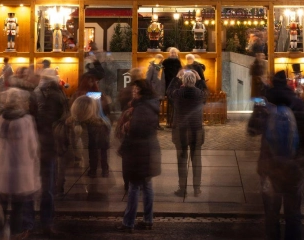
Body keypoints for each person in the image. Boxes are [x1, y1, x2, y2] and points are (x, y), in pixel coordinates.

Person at [247, 70, 304, 240]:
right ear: (288, 83)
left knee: (271, 215)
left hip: (270, 166)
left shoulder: (264, 103)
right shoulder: (298, 103)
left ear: (271, 82)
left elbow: (252, 130)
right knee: (293, 214)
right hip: (294, 167)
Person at [0, 88, 39, 237]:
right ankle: (14, 234)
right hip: (21, 170)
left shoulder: (2, 119)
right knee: (18, 208)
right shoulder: (26, 120)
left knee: (1, 207)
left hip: (2, 169)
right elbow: (33, 146)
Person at [117, 79, 161, 233]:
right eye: (133, 89)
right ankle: (148, 220)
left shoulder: (142, 108)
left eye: (136, 89)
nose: (133, 92)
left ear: (143, 91)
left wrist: (127, 127)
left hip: (139, 152)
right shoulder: (150, 104)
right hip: (148, 150)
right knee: (147, 186)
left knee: (134, 187)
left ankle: (128, 223)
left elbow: (136, 131)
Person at [29, 74, 67, 233]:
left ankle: (36, 223)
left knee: (42, 188)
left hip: (43, 146)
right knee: (46, 188)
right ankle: (45, 222)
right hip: (45, 146)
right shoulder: (56, 95)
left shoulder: (38, 95)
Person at [169, 70, 206, 197]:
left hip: (181, 130)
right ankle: (197, 189)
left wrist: (176, 77)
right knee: (196, 160)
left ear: (183, 81)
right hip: (196, 130)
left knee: (182, 159)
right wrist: (200, 79)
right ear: (194, 81)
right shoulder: (200, 94)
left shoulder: (177, 94)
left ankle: (182, 188)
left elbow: (169, 92)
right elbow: (205, 92)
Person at [70, 95, 110, 178]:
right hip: (102, 136)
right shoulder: (101, 119)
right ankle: (104, 171)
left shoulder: (87, 118)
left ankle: (93, 171)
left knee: (93, 153)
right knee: (103, 154)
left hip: (94, 138)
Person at [161, 48, 182, 128]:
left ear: (176, 53)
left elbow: (180, 72)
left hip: (176, 84)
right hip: (168, 83)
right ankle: (169, 122)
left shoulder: (178, 62)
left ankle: (175, 122)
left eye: (174, 52)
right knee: (170, 103)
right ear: (169, 53)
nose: (173, 54)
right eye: (171, 52)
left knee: (176, 103)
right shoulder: (165, 62)